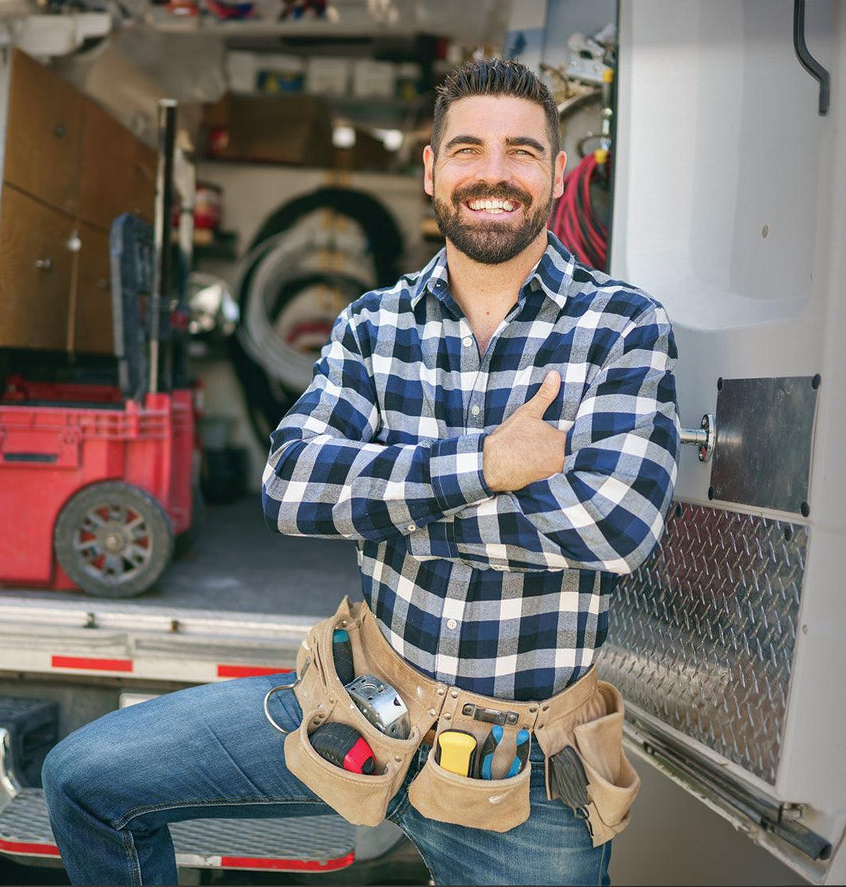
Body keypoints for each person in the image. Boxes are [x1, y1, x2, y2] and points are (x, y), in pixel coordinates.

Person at [42, 56, 679, 886]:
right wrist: (489, 465)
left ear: (558, 174)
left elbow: (618, 528)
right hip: (355, 712)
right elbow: (294, 486)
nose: (493, 173)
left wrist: (384, 494)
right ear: (431, 170)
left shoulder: (623, 326)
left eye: (522, 152)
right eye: (468, 150)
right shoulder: (373, 325)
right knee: (83, 782)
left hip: (523, 776)